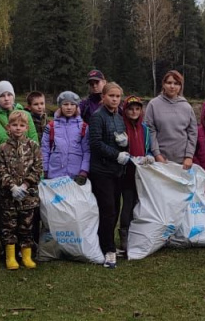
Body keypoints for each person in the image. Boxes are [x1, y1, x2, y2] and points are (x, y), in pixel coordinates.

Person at [88, 82, 130, 269]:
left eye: (117, 96)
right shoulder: (97, 117)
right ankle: (108, 249)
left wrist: (124, 144)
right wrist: (116, 154)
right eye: (111, 96)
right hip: (102, 171)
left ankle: (105, 243)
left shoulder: (119, 116)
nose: (114, 99)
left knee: (115, 209)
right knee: (107, 210)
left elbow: (118, 138)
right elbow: (96, 143)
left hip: (117, 172)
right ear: (103, 97)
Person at [0, 110, 43, 270]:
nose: (18, 128)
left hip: (28, 196)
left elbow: (38, 168)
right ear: (9, 127)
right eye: (14, 125)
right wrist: (12, 186)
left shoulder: (33, 146)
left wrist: (26, 185)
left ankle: (27, 256)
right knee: (9, 227)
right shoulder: (2, 148)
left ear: (26, 127)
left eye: (21, 125)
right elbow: (0, 170)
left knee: (26, 226)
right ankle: (10, 256)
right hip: (8, 197)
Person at [119, 95, 154, 256]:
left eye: (137, 109)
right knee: (127, 203)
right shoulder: (121, 126)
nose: (134, 112)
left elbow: (148, 147)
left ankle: (137, 233)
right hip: (126, 171)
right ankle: (124, 234)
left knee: (139, 203)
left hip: (142, 173)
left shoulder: (145, 128)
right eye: (131, 109)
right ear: (125, 110)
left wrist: (149, 155)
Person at [144, 70, 197, 168]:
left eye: (176, 83)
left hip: (182, 163)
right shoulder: (153, 104)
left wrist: (189, 156)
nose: (172, 86)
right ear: (163, 84)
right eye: (169, 83)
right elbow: (150, 130)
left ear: (180, 86)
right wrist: (157, 155)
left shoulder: (187, 107)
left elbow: (192, 133)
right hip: (159, 161)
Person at [41, 91, 90, 183]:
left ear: (76, 106)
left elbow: (87, 151)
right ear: (60, 106)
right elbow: (45, 150)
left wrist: (83, 172)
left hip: (76, 177)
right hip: (54, 176)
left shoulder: (84, 127)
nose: (69, 107)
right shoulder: (51, 126)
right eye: (65, 104)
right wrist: (45, 170)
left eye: (72, 104)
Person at [0, 81, 40, 149]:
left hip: (24, 158)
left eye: (9, 95)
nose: (6, 99)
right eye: (2, 96)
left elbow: (34, 141)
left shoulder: (26, 115)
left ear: (13, 96)